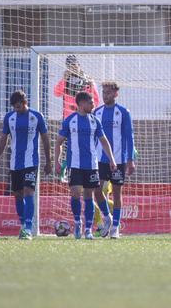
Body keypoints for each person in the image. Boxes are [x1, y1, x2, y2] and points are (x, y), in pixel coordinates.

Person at [55, 91, 117, 240]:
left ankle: (88, 229)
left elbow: (103, 141)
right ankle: (78, 222)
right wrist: (56, 160)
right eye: (90, 102)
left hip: (91, 165)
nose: (93, 104)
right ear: (81, 104)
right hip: (74, 165)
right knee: (76, 193)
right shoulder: (70, 121)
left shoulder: (95, 121)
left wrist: (112, 159)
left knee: (89, 195)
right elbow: (58, 142)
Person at [0, 90, 52, 240]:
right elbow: (3, 140)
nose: (16, 109)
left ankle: (28, 227)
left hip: (31, 161)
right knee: (18, 194)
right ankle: (23, 226)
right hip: (14, 162)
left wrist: (49, 161)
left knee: (28, 191)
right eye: (14, 107)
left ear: (24, 102)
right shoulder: (9, 118)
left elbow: (45, 139)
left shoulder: (36, 116)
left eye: (18, 106)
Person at [93, 81, 135, 239]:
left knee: (117, 193)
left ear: (116, 94)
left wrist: (130, 160)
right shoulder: (97, 112)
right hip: (100, 159)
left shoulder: (123, 112)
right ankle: (107, 217)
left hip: (118, 160)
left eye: (108, 93)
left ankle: (115, 227)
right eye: (103, 92)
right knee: (96, 190)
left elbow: (129, 137)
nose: (105, 95)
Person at [54, 54, 100, 120]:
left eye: (74, 66)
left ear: (79, 65)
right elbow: (57, 93)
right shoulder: (66, 81)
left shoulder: (87, 80)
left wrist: (92, 86)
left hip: (85, 117)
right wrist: (64, 79)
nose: (73, 69)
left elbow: (96, 101)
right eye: (70, 67)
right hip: (69, 118)